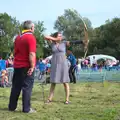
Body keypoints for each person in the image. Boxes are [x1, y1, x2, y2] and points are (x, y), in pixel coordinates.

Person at [44, 32, 87, 104]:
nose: (60, 37)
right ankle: (49, 99)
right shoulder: (52, 43)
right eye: (59, 36)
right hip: (54, 64)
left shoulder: (64, 43)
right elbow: (45, 36)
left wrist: (82, 42)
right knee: (53, 82)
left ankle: (67, 100)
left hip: (63, 64)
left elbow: (74, 42)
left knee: (65, 82)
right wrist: (55, 39)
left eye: (61, 36)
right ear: (55, 37)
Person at [8, 20, 36, 113]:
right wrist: (32, 67)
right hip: (26, 66)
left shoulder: (17, 38)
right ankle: (26, 109)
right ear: (31, 28)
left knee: (16, 87)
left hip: (17, 66)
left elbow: (15, 52)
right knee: (27, 87)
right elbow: (32, 54)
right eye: (34, 27)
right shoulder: (31, 37)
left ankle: (12, 107)